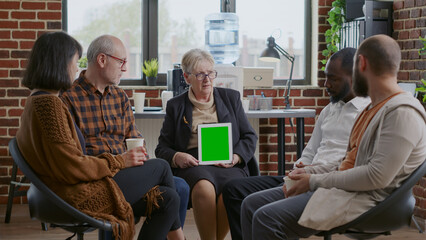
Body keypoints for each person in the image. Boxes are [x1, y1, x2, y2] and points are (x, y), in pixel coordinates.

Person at [241, 35, 426, 240]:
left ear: (361, 64)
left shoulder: (402, 113)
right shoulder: (375, 108)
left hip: (366, 199)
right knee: (251, 204)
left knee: (267, 217)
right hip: (345, 187)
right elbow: (349, 162)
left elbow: (375, 177)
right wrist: (309, 172)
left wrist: (313, 181)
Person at [16, 31, 184, 240]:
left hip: (67, 191)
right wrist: (118, 161)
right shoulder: (49, 106)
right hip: (77, 196)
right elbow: (72, 167)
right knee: (161, 166)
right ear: (59, 62)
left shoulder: (37, 101)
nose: (77, 68)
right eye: (75, 62)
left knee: (168, 199)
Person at [222, 47, 371, 240]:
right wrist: (299, 167)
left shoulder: (368, 114)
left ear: (354, 77)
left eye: (333, 79)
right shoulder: (329, 110)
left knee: (263, 212)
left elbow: (353, 164)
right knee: (243, 197)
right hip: (306, 175)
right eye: (325, 77)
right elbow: (310, 151)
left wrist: (310, 174)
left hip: (330, 183)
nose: (326, 84)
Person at [59, 35, 190, 230]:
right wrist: (119, 160)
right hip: (98, 179)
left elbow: (134, 136)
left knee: (178, 189)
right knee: (166, 175)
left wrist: (138, 150)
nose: (125, 68)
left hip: (127, 172)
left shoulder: (120, 96)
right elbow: (75, 157)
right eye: (121, 62)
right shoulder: (68, 98)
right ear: (102, 60)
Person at [155, 48, 258, 240]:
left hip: (228, 163)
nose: (207, 79)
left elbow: (249, 136)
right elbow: (162, 148)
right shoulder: (176, 106)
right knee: (204, 188)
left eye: (210, 73)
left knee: (231, 191)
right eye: (200, 74)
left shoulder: (231, 98)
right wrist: (178, 157)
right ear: (187, 78)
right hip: (194, 164)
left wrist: (236, 157)